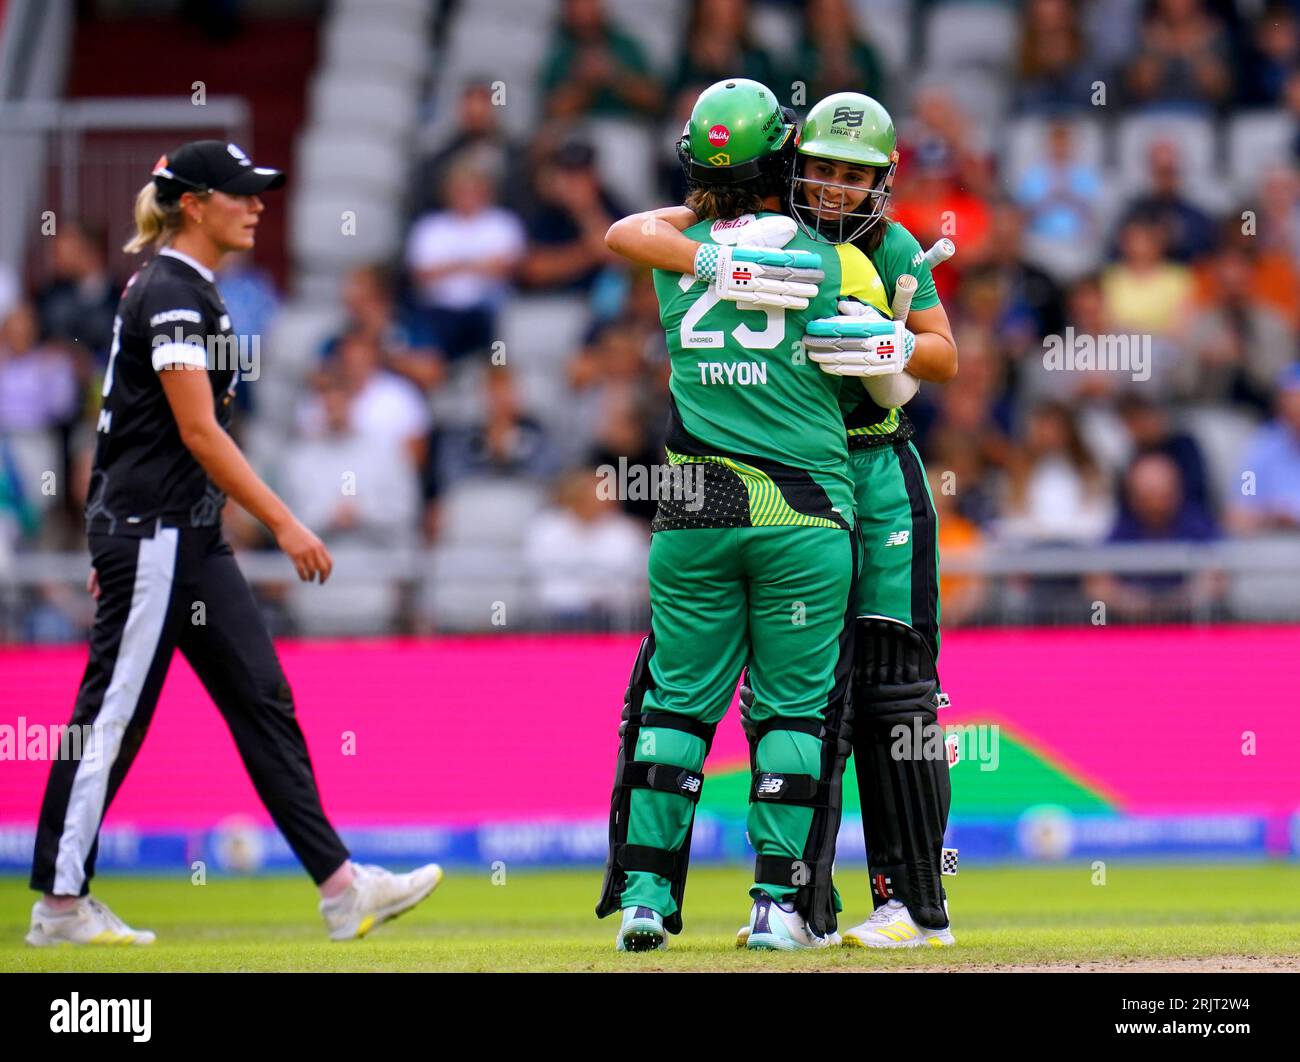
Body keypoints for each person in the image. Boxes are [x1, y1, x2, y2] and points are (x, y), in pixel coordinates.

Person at [25, 140, 441, 947]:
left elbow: (129, 430)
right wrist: (285, 521)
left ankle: (341, 888)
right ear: (194, 205)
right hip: (154, 537)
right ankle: (60, 907)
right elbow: (195, 430)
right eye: (240, 194)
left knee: (262, 700)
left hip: (186, 537)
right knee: (111, 716)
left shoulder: (185, 288)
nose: (256, 205)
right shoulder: (174, 292)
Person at [605, 91, 962, 949]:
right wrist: (714, 264)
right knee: (809, 704)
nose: (838, 190)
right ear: (793, 165)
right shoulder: (775, 234)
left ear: (881, 180)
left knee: (892, 691)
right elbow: (640, 231)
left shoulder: (892, 244)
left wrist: (897, 349)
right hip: (804, 494)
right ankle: (797, 901)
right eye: (824, 171)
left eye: (856, 176)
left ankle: (914, 901)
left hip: (868, 470)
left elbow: (945, 356)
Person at [596, 79, 860, 952]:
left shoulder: (674, 250)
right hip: (804, 507)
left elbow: (625, 230)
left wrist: (713, 241)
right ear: (783, 160)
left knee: (676, 709)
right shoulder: (823, 258)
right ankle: (773, 909)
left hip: (692, 504)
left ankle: (644, 899)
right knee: (789, 713)